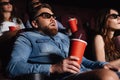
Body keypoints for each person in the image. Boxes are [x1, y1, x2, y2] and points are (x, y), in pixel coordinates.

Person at [6, 4, 119, 80]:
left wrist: (103, 65)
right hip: (63, 77)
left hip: (84, 72)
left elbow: (82, 61)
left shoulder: (63, 37)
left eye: (53, 16)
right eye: (46, 16)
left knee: (112, 72)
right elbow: (13, 67)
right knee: (107, 76)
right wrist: (53, 68)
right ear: (35, 23)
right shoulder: (26, 37)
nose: (52, 19)